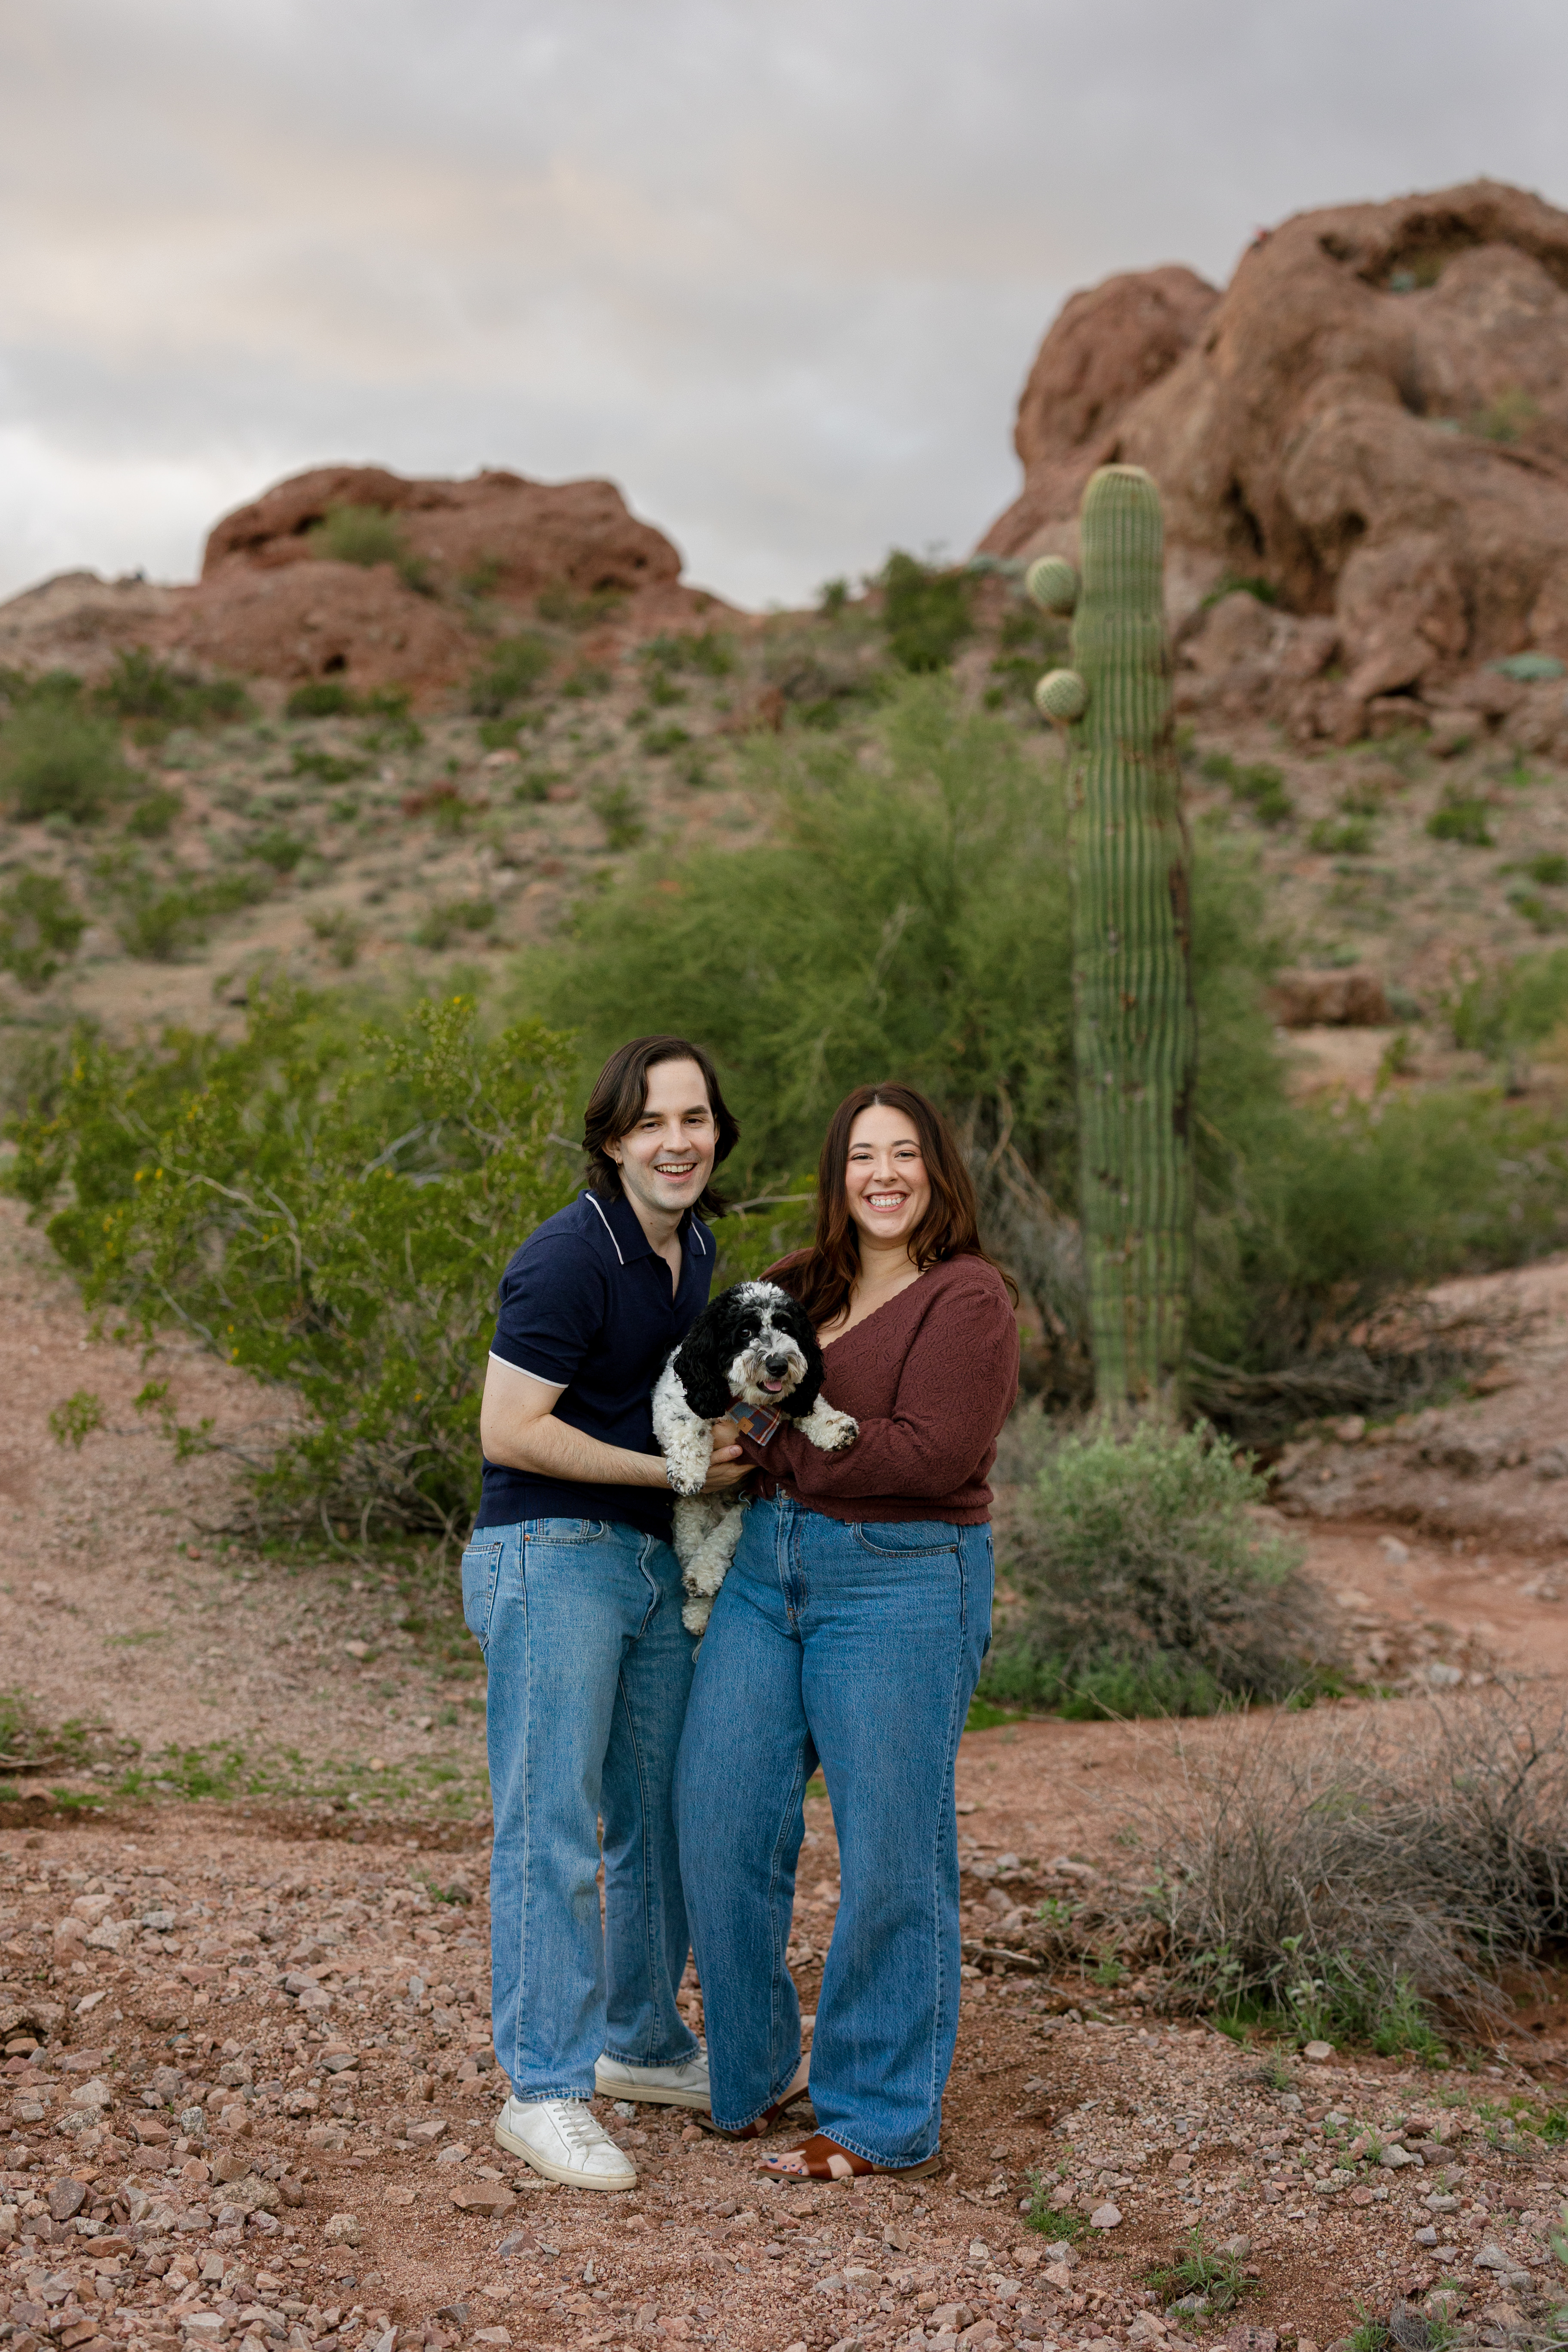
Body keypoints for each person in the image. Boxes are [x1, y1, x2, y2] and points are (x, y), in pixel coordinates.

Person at [674, 1081, 1020, 2181]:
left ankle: (876, 2117)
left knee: (889, 1852)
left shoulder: (968, 1299)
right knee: (718, 1817)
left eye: (906, 1153)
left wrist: (768, 1441)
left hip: (902, 1581)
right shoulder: (797, 1283)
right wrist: (768, 1442)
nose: (884, 1173)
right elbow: (715, 1393)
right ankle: (759, 2071)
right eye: (863, 1154)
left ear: (937, 1172)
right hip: (766, 1572)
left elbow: (929, 1455)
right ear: (839, 1175)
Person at [467, 1035, 748, 2191]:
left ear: (716, 1133)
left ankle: (642, 2040)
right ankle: (542, 2087)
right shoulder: (567, 1259)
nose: (677, 1141)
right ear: (612, 1142)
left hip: (644, 1568)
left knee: (663, 1819)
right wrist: (676, 1476)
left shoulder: (697, 1254)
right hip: (550, 1554)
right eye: (652, 1124)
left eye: (695, 1119)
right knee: (552, 1829)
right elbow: (509, 1429)